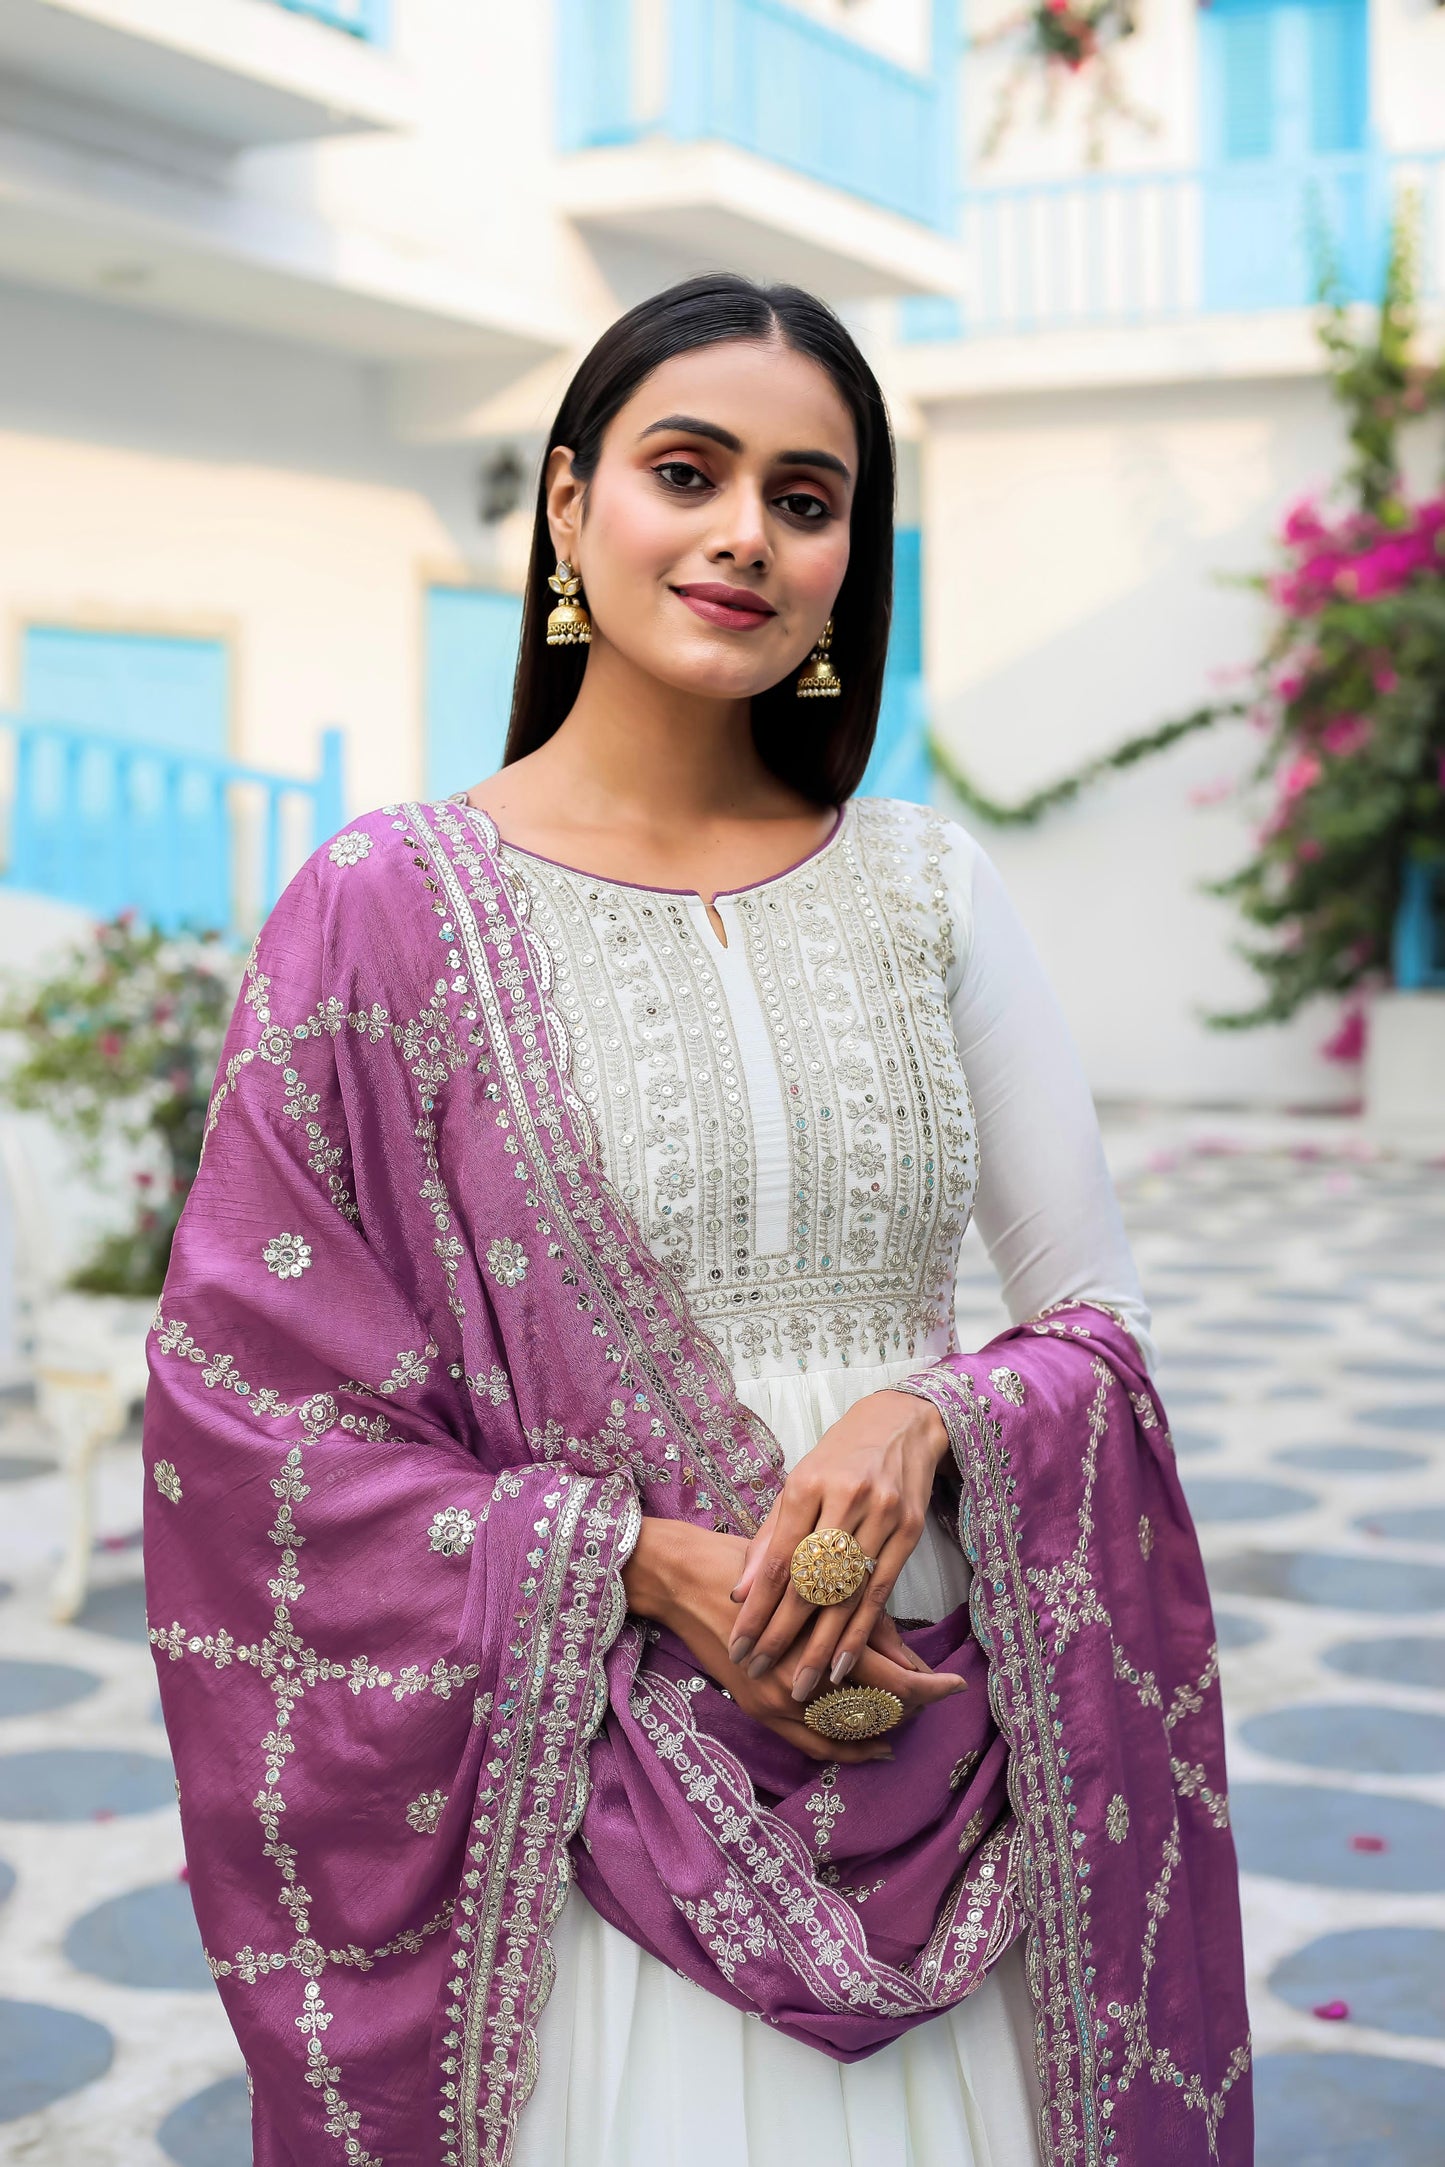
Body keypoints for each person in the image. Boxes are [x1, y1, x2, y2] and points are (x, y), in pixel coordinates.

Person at [145, 274, 1250, 2167]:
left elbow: (1093, 1326)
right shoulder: (383, 909)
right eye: (688, 470)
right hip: (581, 1786)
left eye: (807, 498)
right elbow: (251, 1421)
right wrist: (623, 1558)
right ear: (571, 507)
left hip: (935, 1730)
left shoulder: (925, 888)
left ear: (845, 566)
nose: (747, 531)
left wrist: (931, 1416)